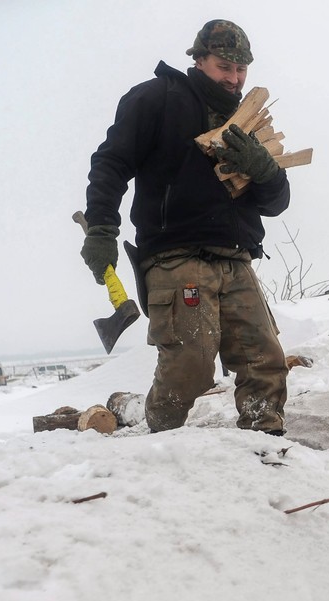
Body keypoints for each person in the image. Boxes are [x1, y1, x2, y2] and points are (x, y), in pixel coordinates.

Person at [81, 20, 290, 435]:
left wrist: (264, 170)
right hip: (177, 257)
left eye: (241, 69)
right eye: (224, 66)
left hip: (236, 257)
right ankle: (163, 443)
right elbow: (111, 163)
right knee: (190, 364)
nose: (234, 78)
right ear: (199, 59)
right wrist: (101, 227)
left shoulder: (247, 120)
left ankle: (266, 442)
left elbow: (276, 203)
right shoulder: (157, 98)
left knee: (264, 359)